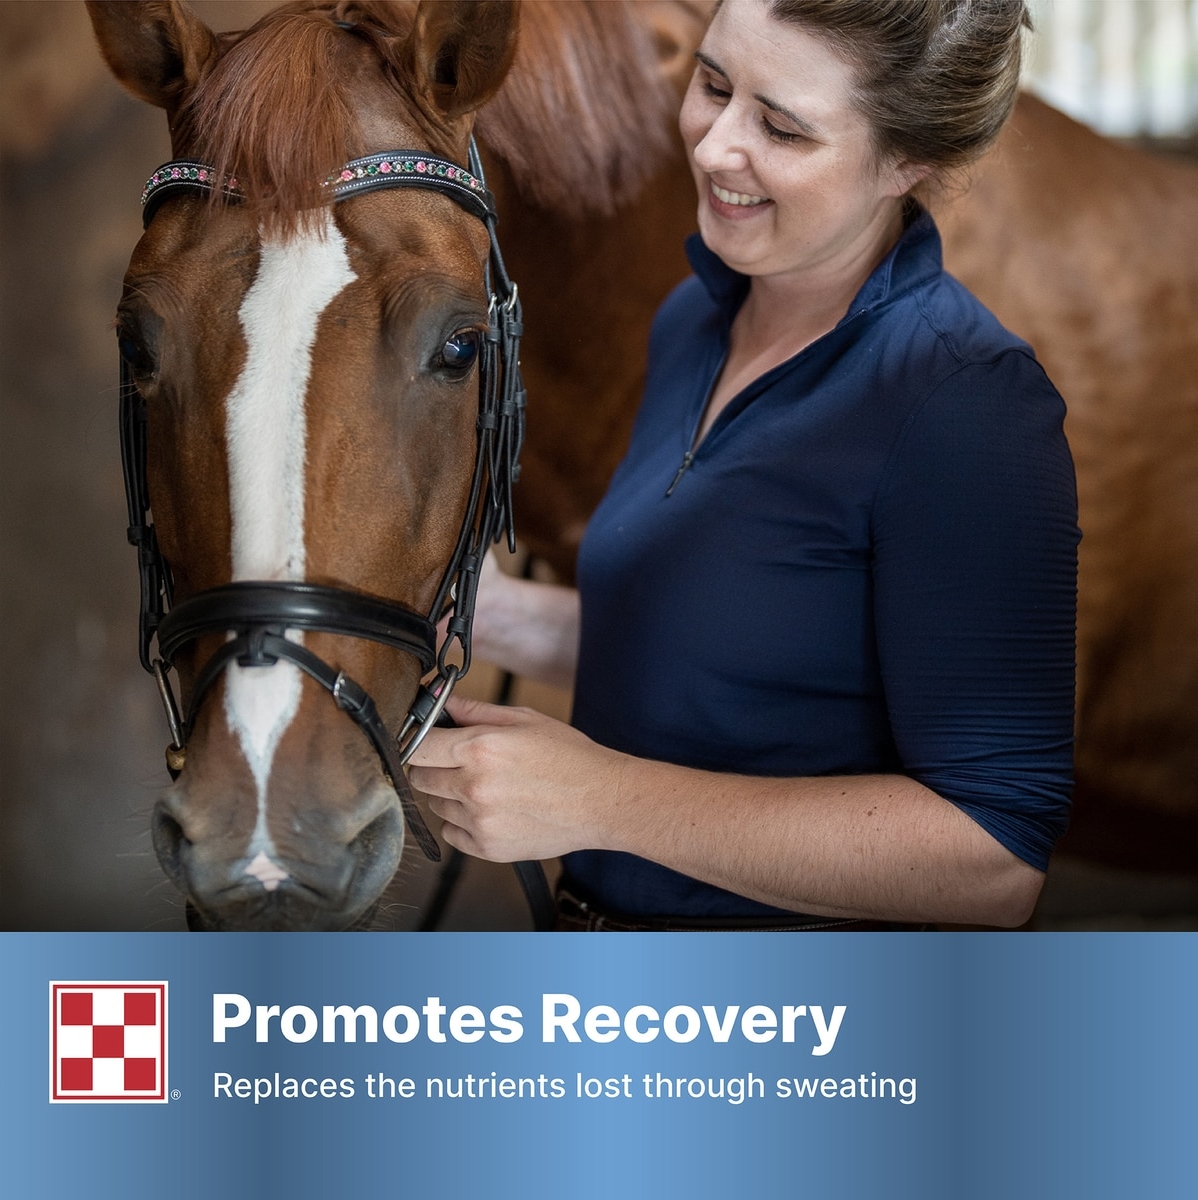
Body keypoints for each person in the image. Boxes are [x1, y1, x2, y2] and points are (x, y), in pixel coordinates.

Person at [408, 0, 1079, 931]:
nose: (715, 145)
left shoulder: (963, 404)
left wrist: (603, 800)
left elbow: (993, 862)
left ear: (908, 161)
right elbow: (738, 657)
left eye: (783, 128)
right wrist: (504, 620)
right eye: (714, 84)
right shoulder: (694, 320)